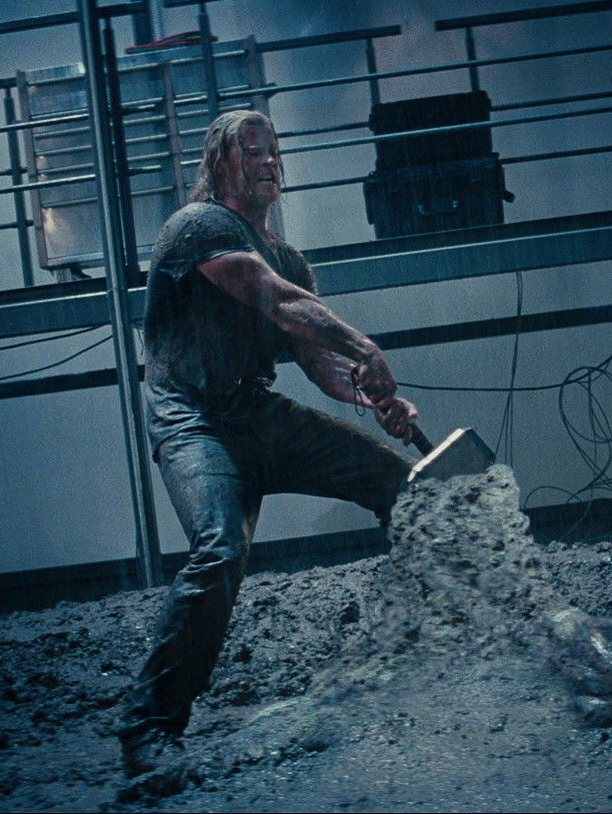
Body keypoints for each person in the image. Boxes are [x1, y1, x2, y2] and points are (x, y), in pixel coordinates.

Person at [115, 109, 419, 779]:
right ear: (219, 163)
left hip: (257, 412)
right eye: (252, 152)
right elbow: (273, 300)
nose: (268, 162)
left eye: (274, 151)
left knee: (400, 485)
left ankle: (429, 635)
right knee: (221, 548)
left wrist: (375, 398)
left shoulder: (290, 260)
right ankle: (148, 727)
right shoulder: (197, 227)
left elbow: (318, 364)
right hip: (192, 419)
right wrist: (366, 347)